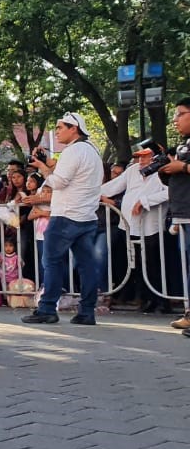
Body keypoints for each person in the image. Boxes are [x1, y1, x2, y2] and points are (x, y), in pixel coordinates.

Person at [23, 112, 104, 325]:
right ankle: (87, 311)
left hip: (65, 216)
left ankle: (47, 308)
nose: (57, 131)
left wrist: (40, 167)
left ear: (73, 129)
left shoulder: (72, 151)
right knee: (87, 265)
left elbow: (58, 182)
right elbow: (67, 172)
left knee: (51, 262)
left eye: (60, 127)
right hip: (86, 217)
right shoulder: (91, 150)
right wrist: (47, 162)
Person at [101, 147, 172, 313]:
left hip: (151, 226)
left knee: (154, 263)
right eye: (139, 157)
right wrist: (93, 193)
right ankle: (146, 299)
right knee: (137, 264)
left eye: (145, 157)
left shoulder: (162, 172)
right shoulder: (133, 170)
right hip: (130, 224)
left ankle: (162, 300)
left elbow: (169, 192)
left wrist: (145, 201)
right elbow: (114, 186)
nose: (141, 161)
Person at [159, 97, 190, 336]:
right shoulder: (183, 145)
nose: (175, 120)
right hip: (183, 212)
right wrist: (168, 170)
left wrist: (183, 167)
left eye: (180, 114)